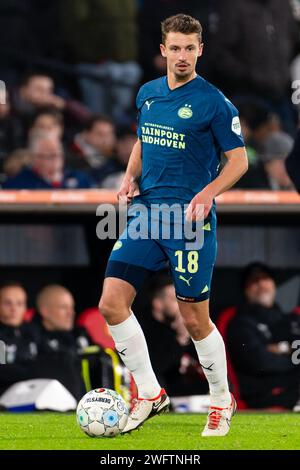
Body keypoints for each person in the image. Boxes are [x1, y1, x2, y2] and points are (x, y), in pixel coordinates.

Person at [99, 14, 248, 437]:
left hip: (188, 222)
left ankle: (221, 400)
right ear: (163, 50)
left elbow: (239, 161)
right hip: (148, 215)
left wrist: (207, 193)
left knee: (195, 320)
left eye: (189, 47)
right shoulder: (147, 93)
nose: (182, 55)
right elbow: (144, 140)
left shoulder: (215, 102)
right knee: (111, 303)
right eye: (175, 47)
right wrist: (130, 176)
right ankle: (148, 393)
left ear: (200, 50)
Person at [227, 263, 300, 409]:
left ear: (273, 284)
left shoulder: (290, 318)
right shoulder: (240, 323)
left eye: (265, 278)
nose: (261, 284)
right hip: (267, 398)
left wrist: (280, 348)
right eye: (254, 281)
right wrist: (293, 356)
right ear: (245, 290)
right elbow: (261, 362)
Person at [3, 133, 92, 189]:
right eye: (50, 156)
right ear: (34, 158)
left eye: (58, 154)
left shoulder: (80, 178)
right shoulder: (18, 183)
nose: (56, 160)